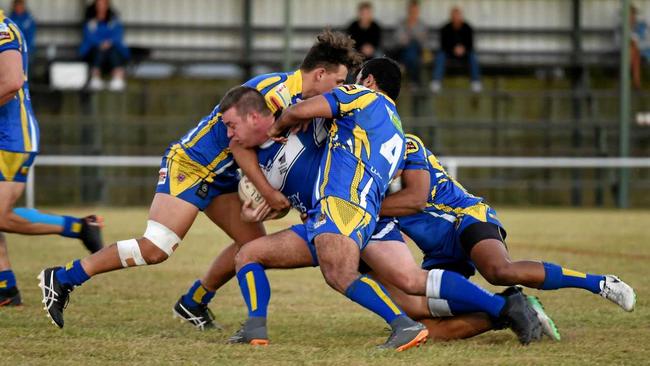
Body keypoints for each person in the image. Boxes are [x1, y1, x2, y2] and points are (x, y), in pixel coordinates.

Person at [38, 30, 362, 329]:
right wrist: (267, 192)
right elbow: (238, 145)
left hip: (222, 176)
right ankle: (64, 277)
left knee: (253, 247)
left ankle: (194, 302)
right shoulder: (274, 93)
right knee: (156, 248)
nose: (341, 89)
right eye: (339, 81)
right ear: (320, 74)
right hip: (192, 166)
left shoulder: (298, 101)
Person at [378, 133, 636, 330]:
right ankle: (514, 308)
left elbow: (416, 198)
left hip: (466, 217)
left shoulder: (405, 142)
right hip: (438, 249)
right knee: (422, 310)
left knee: (500, 270)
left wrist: (367, 207)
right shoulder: (364, 170)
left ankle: (600, 283)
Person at [0, 10, 104, 307]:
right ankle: (5, 287)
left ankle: (79, 227)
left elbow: (11, 82)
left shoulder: (2, 30)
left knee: (0, 214)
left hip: (11, 136)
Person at [79, 0, 129, 91]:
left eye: (103, 4)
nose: (101, 7)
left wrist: (108, 42)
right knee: (98, 51)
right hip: (95, 49)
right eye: (99, 4)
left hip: (112, 48)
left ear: (107, 6)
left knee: (113, 50)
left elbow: (118, 35)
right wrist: (100, 43)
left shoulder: (114, 20)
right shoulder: (90, 21)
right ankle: (95, 78)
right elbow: (89, 36)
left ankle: (118, 78)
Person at [430, 6, 482, 93]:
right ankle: (436, 81)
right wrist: (453, 49)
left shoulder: (468, 28)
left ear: (461, 16)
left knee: (473, 56)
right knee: (440, 55)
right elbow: (443, 45)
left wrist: (463, 49)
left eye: (458, 16)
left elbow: (471, 45)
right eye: (454, 16)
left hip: (464, 53)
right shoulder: (445, 28)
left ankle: (475, 82)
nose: (456, 18)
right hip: (449, 53)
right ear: (451, 17)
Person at [394, 0, 427, 87]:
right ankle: (414, 82)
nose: (413, 13)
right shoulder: (401, 23)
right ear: (408, 11)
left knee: (413, 46)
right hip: (402, 51)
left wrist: (410, 38)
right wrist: (413, 38)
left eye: (415, 11)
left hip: (417, 52)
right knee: (411, 50)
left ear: (418, 12)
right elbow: (398, 40)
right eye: (411, 11)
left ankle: (404, 66)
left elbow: (423, 42)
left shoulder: (422, 25)